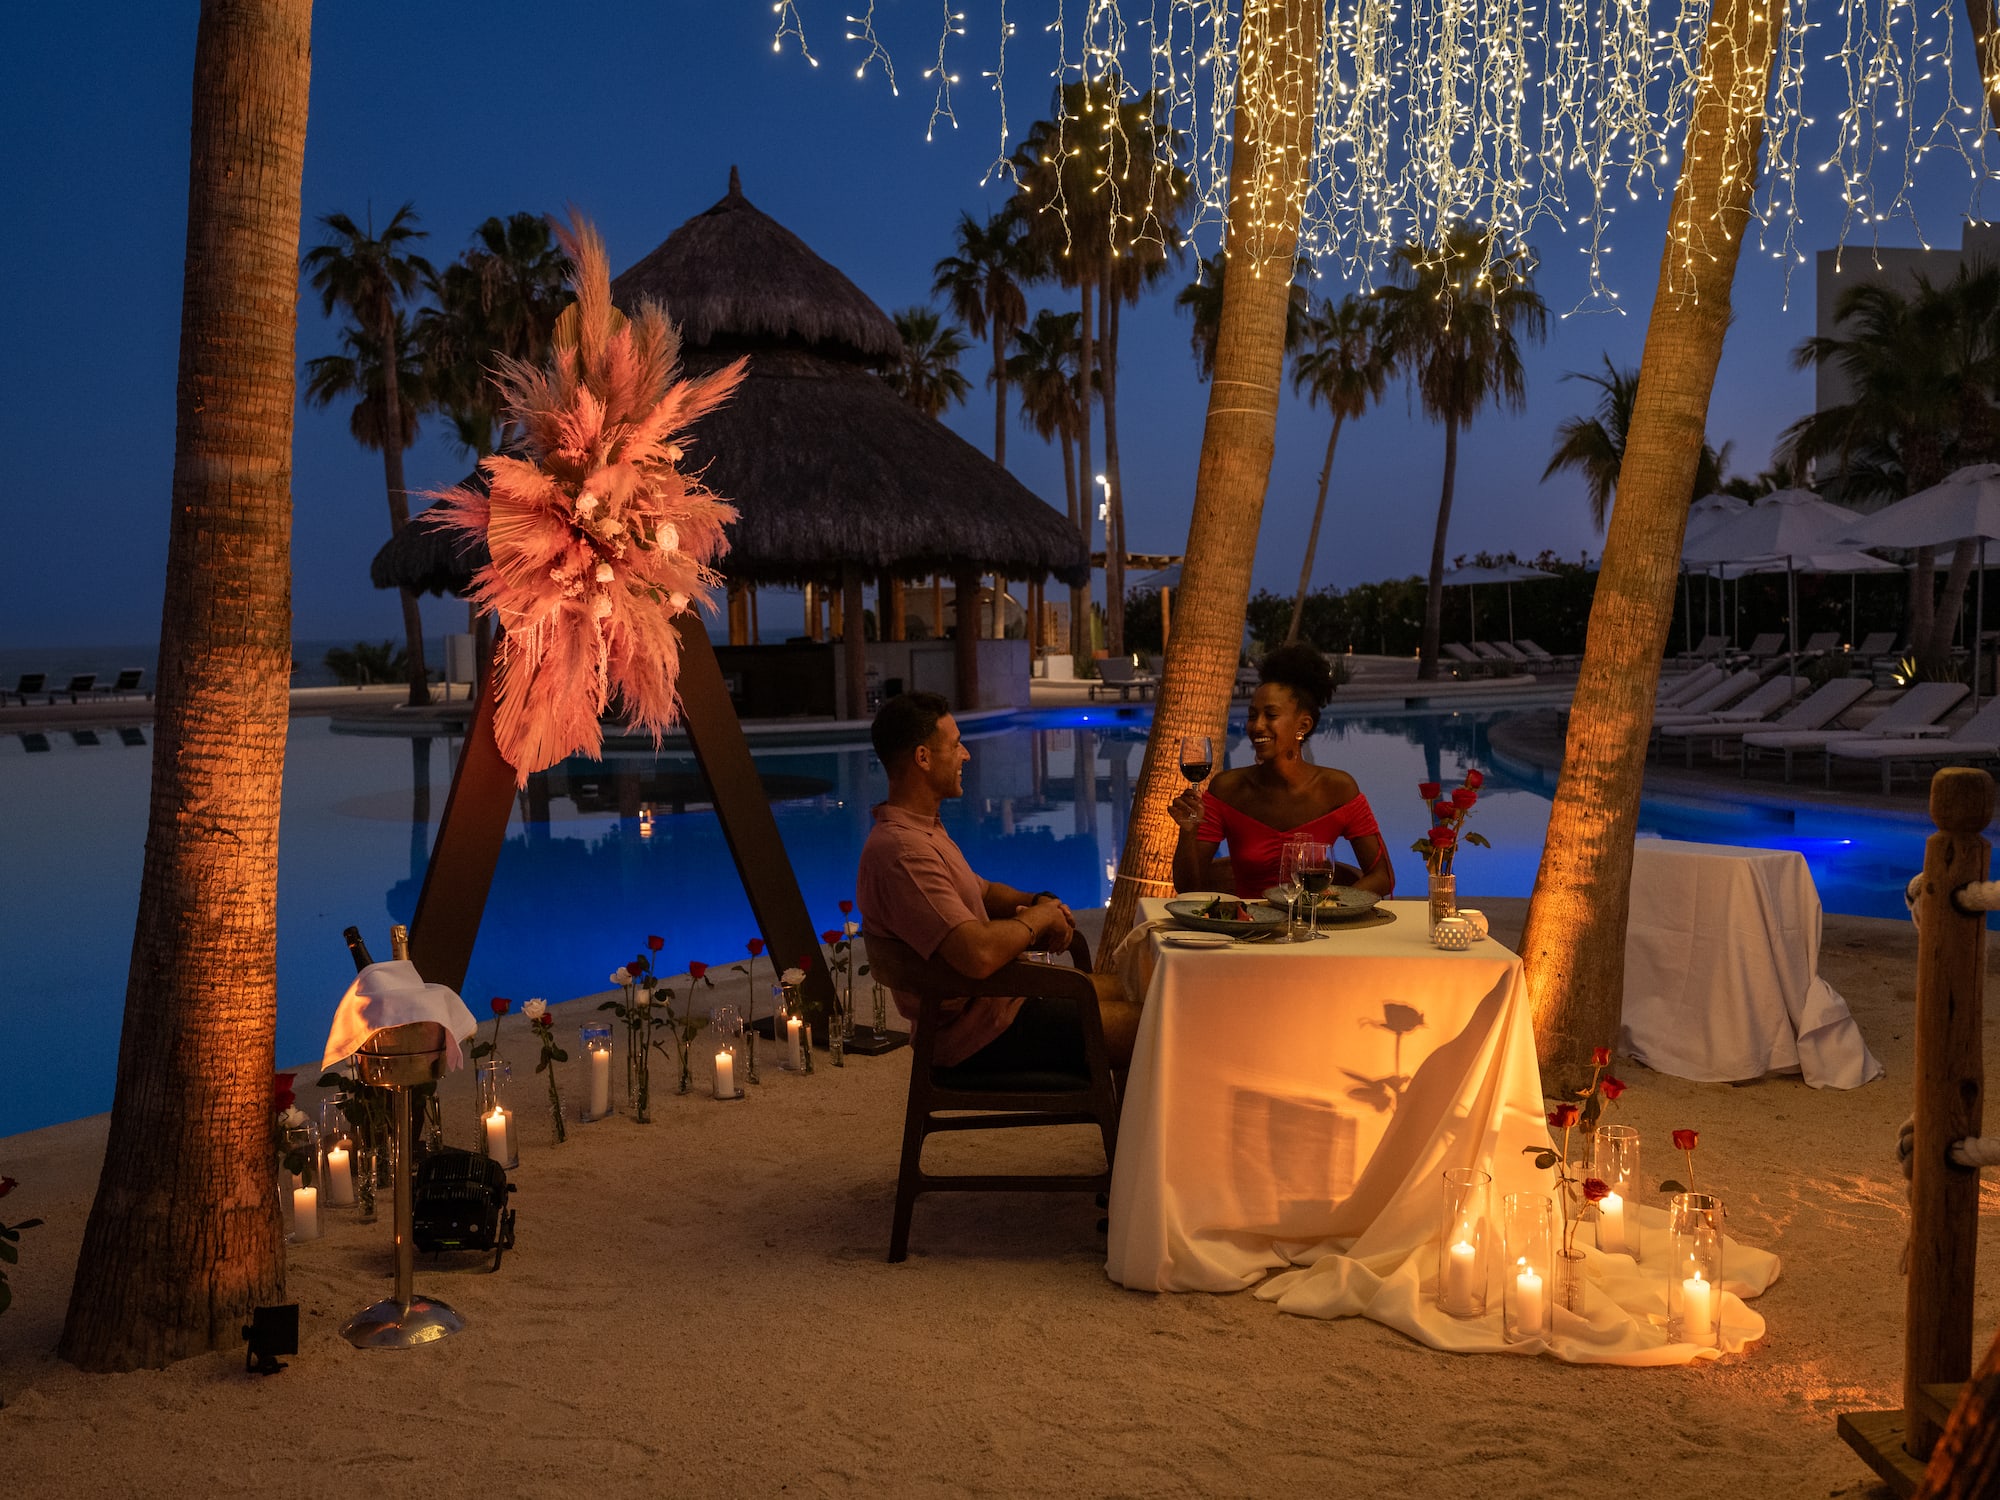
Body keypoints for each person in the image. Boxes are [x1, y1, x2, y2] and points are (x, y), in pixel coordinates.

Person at [857, 691, 1139, 1071]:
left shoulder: (922, 832)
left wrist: (1041, 901)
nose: (966, 755)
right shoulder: (903, 854)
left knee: (1141, 990)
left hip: (1003, 1003)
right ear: (923, 758)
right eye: (955, 745)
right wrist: (1039, 920)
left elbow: (984, 891)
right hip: (982, 1036)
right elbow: (979, 954)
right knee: (1156, 1026)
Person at [1168, 644, 1394, 900]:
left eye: (1271, 715)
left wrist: (1330, 906)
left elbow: (1382, 876)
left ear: (1303, 725)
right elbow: (1188, 888)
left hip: (1314, 922)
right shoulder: (1227, 790)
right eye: (1252, 715)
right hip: (1248, 923)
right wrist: (1188, 832)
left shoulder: (1338, 789)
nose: (1257, 726)